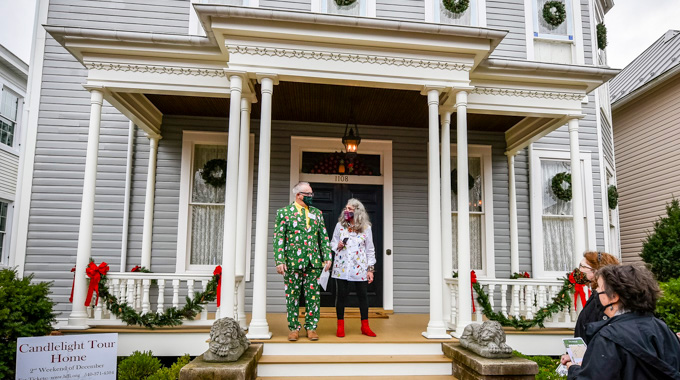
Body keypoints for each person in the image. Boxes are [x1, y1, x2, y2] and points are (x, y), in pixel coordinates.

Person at [566, 264, 680, 380]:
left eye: (599, 288)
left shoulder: (607, 337)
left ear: (614, 296)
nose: (596, 292)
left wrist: (574, 370)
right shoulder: (663, 328)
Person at [273, 182, 332, 342]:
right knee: (292, 296)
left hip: (313, 261)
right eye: (308, 194)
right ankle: (293, 328)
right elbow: (279, 237)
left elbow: (323, 237)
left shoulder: (317, 213)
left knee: (313, 296)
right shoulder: (284, 213)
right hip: (292, 262)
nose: (311, 197)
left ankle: (311, 327)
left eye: (311, 194)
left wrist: (327, 256)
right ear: (298, 195)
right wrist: (280, 259)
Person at [560, 251, 619, 365]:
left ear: (597, 271)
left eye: (582, 266)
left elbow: (597, 334)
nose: (579, 270)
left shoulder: (603, 301)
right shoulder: (595, 296)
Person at [330, 198, 377, 338]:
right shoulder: (340, 226)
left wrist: (370, 269)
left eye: (350, 209)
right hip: (342, 266)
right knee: (341, 296)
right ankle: (340, 326)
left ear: (357, 211)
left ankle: (365, 326)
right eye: (346, 208)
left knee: (363, 296)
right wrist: (337, 246)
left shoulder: (366, 228)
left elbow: (370, 250)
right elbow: (331, 243)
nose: (346, 211)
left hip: (359, 267)